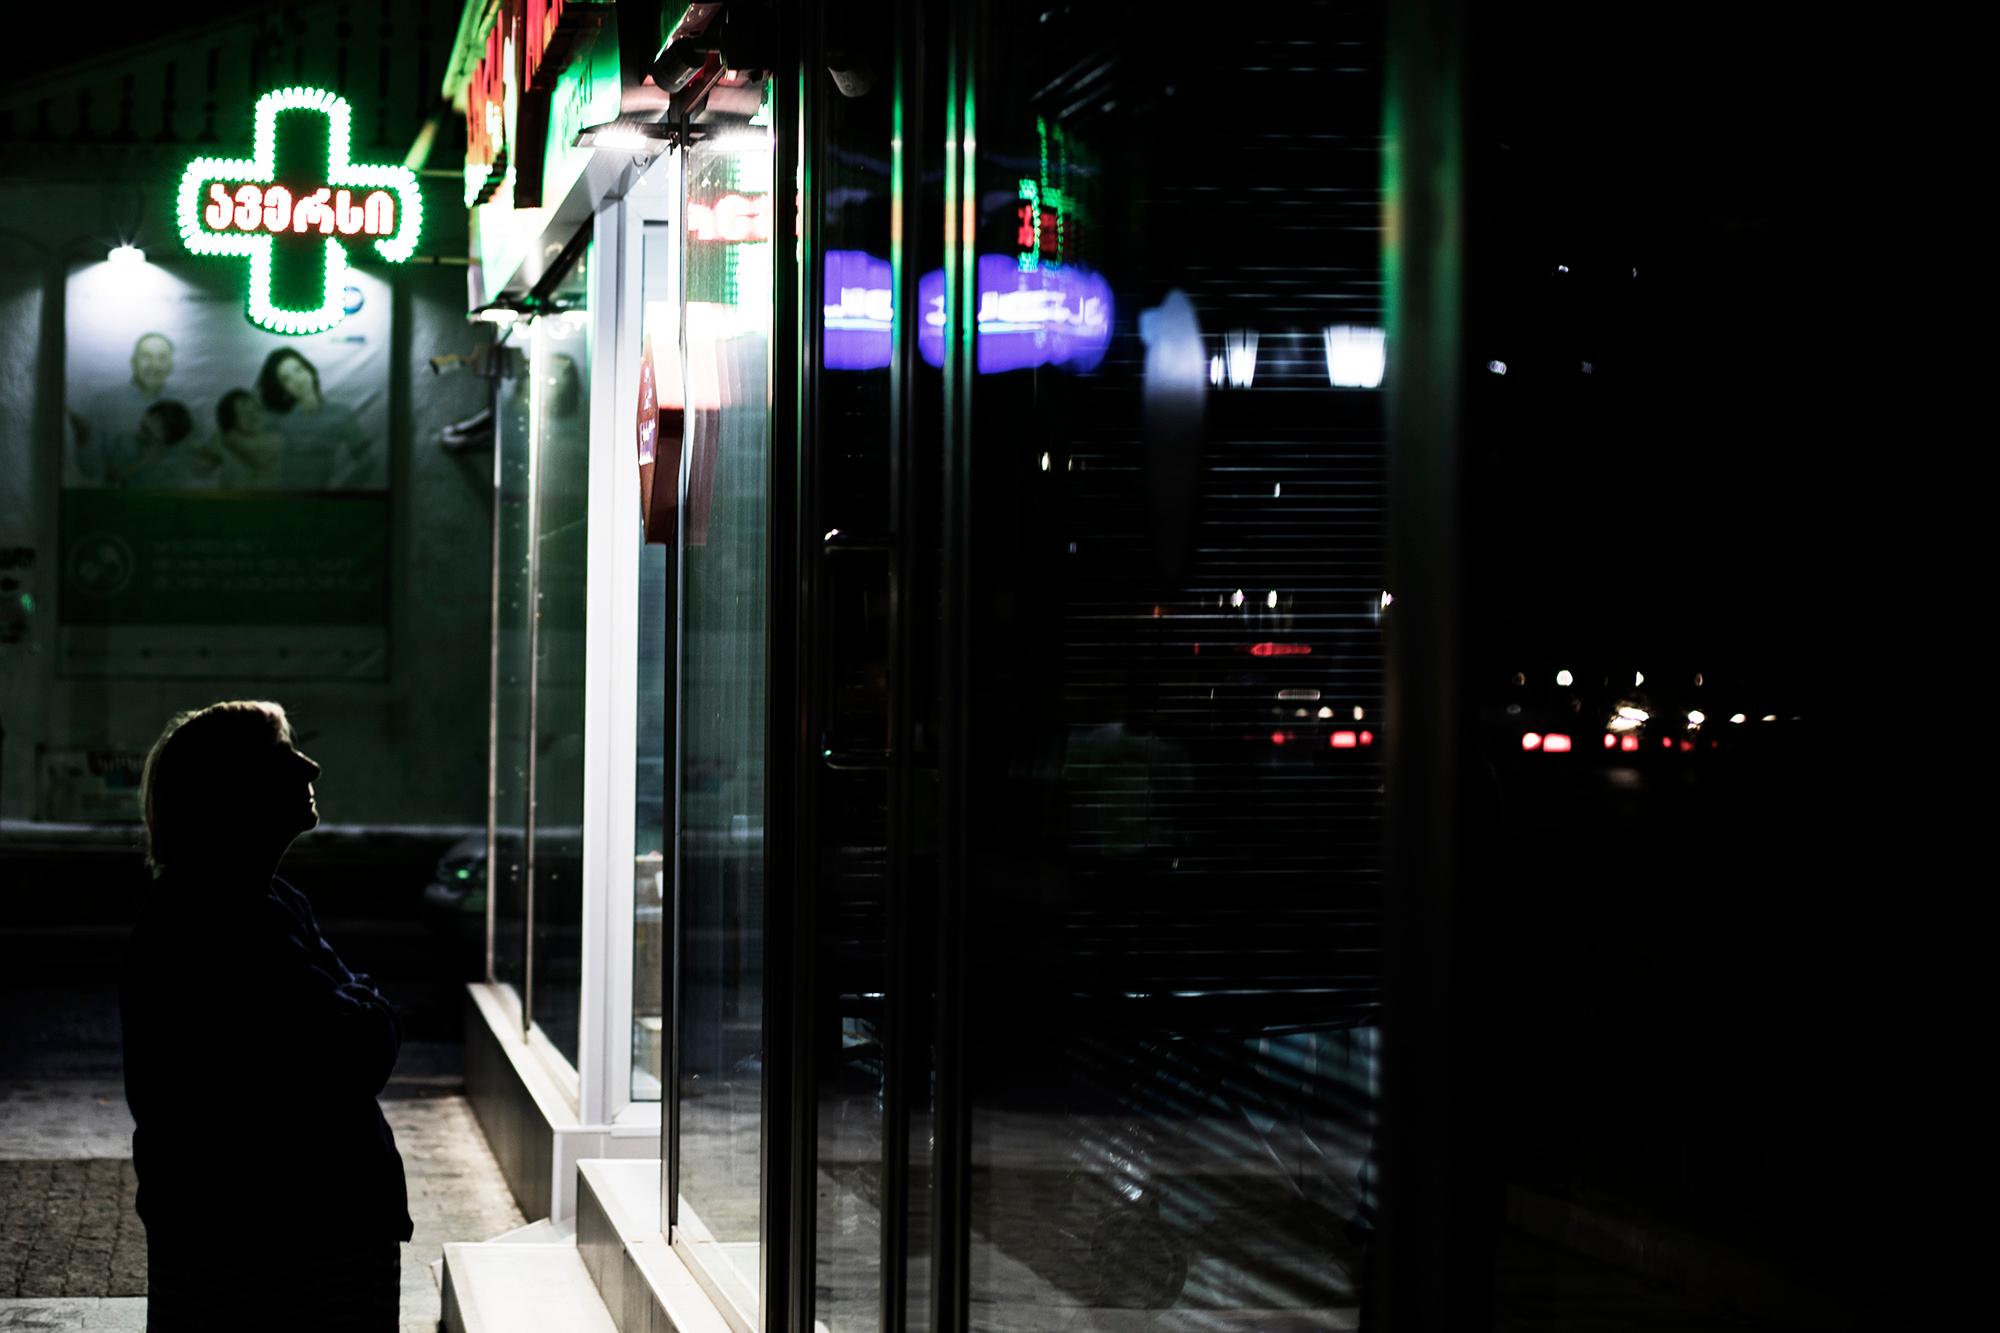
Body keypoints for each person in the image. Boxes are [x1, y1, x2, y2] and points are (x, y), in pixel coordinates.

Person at [121, 701, 411, 1331]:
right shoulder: (222, 921)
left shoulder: (265, 901)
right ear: (232, 791)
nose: (311, 765)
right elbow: (359, 1048)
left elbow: (356, 1030)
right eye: (283, 755)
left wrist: (362, 1012)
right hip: (284, 1245)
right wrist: (367, 1008)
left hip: (270, 1239)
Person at [257, 349, 381, 489]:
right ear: (283, 388)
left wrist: (344, 492)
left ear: (309, 370)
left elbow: (368, 459)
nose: (297, 380)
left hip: (322, 499)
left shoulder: (339, 413)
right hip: (282, 497)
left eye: (298, 370)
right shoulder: (278, 417)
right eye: (287, 378)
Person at [68, 331, 176, 486]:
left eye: (162, 357)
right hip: (117, 505)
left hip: (175, 504)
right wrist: (83, 438)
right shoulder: (104, 403)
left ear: (171, 365)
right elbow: (89, 469)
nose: (154, 365)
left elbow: (200, 471)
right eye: (146, 357)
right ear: (133, 362)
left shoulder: (185, 405)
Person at [209, 388, 283, 488]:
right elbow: (203, 467)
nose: (253, 415)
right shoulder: (220, 441)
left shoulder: (276, 440)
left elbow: (258, 457)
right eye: (243, 412)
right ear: (230, 419)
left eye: (256, 409)